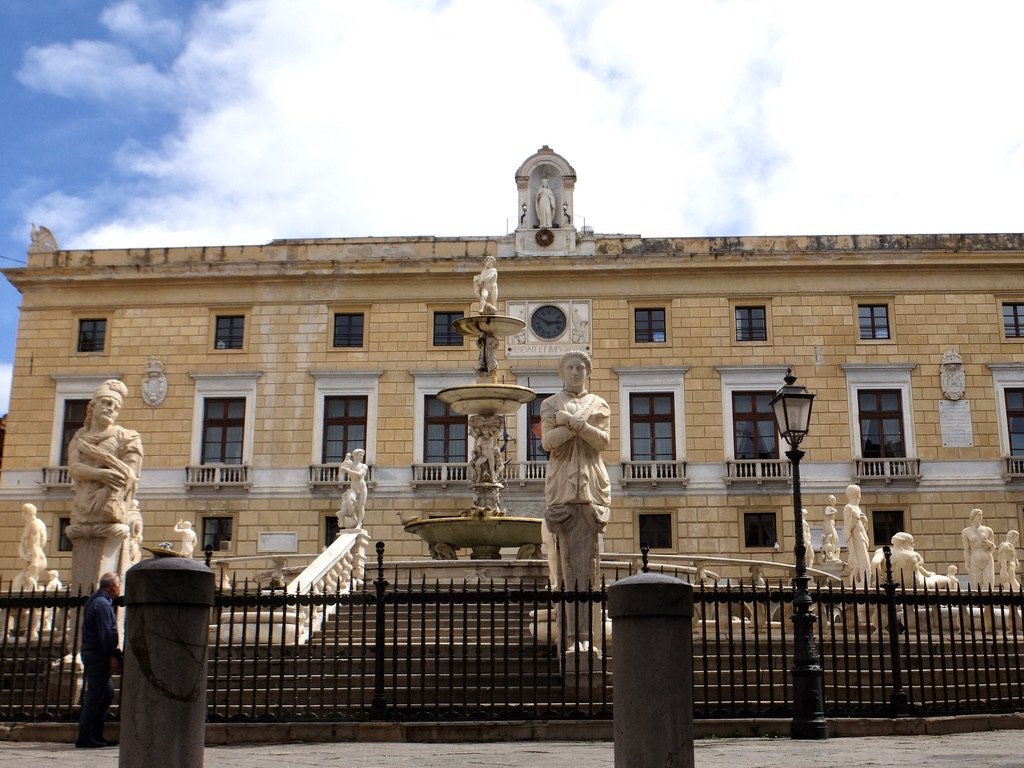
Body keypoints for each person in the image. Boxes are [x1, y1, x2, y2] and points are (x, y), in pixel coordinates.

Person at [68, 380, 143, 526]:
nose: (111, 409)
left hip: (109, 501)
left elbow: (131, 473)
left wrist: (106, 489)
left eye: (116, 407)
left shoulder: (126, 437)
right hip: (81, 503)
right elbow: (74, 468)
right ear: (93, 406)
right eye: (107, 403)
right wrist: (100, 474)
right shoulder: (80, 437)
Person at [76, 571, 122, 749]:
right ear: (112, 587)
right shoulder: (102, 603)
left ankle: (96, 734)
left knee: (106, 693)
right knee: (95, 696)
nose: (119, 588)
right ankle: (85, 737)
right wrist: (112, 655)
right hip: (98, 654)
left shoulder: (98, 601)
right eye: (118, 584)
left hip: (95, 653)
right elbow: (105, 632)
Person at [843, 484, 871, 588]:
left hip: (863, 539)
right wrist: (851, 551)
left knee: (864, 565)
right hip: (857, 541)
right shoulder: (848, 508)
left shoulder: (857, 508)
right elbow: (847, 529)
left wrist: (865, 522)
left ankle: (861, 587)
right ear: (857, 493)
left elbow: (862, 528)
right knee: (865, 565)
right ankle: (861, 589)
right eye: (859, 492)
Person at [962, 507, 996, 589]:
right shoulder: (966, 531)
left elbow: (993, 548)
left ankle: (989, 602)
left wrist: (990, 544)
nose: (980, 517)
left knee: (989, 585)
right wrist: (966, 564)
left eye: (981, 515)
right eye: (978, 515)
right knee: (976, 586)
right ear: (973, 516)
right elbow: (966, 550)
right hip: (975, 558)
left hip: (987, 557)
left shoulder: (988, 530)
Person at [16, 502, 47, 590]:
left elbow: (36, 544)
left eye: (22, 512)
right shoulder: (30, 525)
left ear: (26, 513)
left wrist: (33, 560)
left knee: (28, 581)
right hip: (30, 558)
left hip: (34, 558)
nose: (21, 515)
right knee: (26, 584)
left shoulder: (35, 525)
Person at [337, 449, 369, 529]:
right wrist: (346, 459)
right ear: (355, 455)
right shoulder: (350, 465)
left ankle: (359, 524)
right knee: (350, 501)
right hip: (353, 487)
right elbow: (341, 471)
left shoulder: (363, 466)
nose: (361, 457)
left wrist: (348, 471)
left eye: (362, 455)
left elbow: (359, 475)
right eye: (360, 455)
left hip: (362, 487)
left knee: (361, 506)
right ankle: (353, 517)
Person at [820, 495, 841, 564]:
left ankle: (833, 554)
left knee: (835, 539)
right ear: (830, 501)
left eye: (835, 500)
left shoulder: (832, 508)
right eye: (833, 500)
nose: (835, 501)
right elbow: (826, 513)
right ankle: (831, 555)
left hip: (831, 524)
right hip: (828, 524)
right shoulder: (828, 507)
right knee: (834, 538)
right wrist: (833, 512)